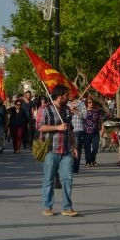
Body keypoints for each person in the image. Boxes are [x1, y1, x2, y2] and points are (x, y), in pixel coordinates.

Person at [38, 85, 78, 217]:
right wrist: (57, 127)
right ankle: (47, 206)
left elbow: (70, 129)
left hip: (66, 150)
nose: (68, 98)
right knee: (48, 180)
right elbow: (40, 127)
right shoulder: (45, 109)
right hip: (51, 150)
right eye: (67, 96)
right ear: (60, 97)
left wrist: (74, 146)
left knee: (68, 179)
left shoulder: (67, 110)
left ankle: (67, 207)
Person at [82, 99, 104, 167]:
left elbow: (101, 120)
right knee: (87, 148)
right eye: (89, 102)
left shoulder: (97, 111)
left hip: (95, 132)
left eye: (92, 102)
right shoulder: (84, 111)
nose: (91, 104)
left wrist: (102, 128)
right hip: (86, 132)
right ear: (87, 103)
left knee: (96, 147)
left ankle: (92, 159)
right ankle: (88, 162)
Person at [68, 96, 87, 173]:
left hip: (77, 129)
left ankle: (75, 168)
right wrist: (69, 111)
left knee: (76, 149)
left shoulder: (81, 103)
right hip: (67, 128)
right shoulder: (66, 103)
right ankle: (67, 166)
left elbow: (85, 116)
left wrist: (75, 110)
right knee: (67, 149)